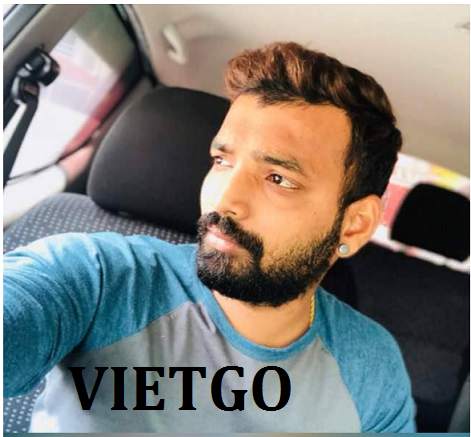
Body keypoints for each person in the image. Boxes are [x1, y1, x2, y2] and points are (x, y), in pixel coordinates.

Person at [4, 42, 416, 432]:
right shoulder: (98, 277)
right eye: (222, 160)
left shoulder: (372, 370)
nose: (223, 200)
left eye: (278, 178)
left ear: (354, 225)